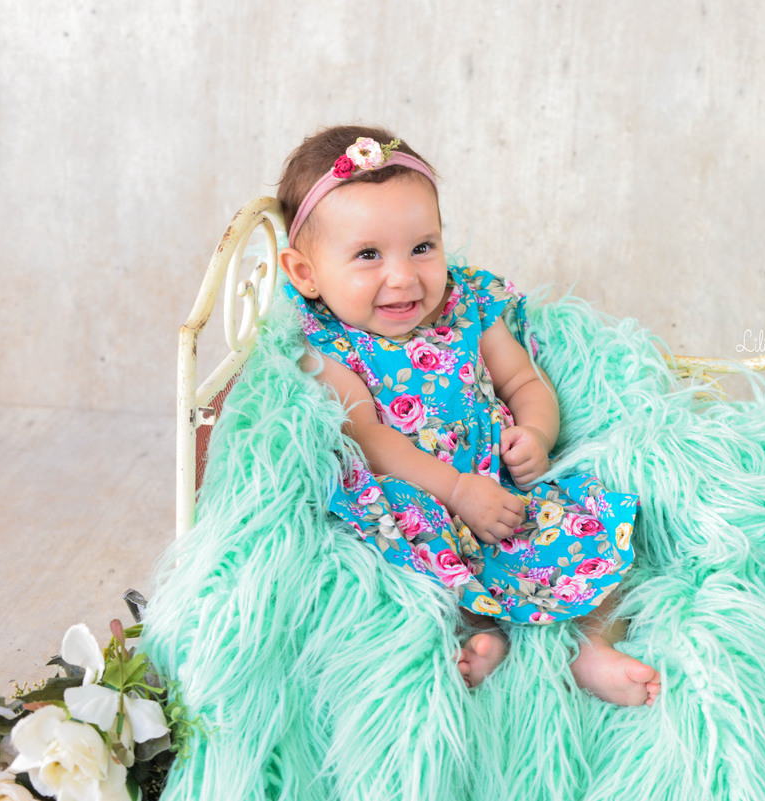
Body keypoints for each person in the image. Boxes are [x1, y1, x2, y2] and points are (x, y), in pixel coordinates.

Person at [276, 125, 660, 706]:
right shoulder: (329, 345)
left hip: (502, 494)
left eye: (422, 247)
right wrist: (456, 490)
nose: (403, 276)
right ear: (305, 272)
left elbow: (524, 381)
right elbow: (370, 440)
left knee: (598, 527)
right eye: (368, 255)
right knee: (396, 557)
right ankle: (479, 635)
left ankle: (592, 645)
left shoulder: (467, 305)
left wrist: (535, 431)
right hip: (422, 495)